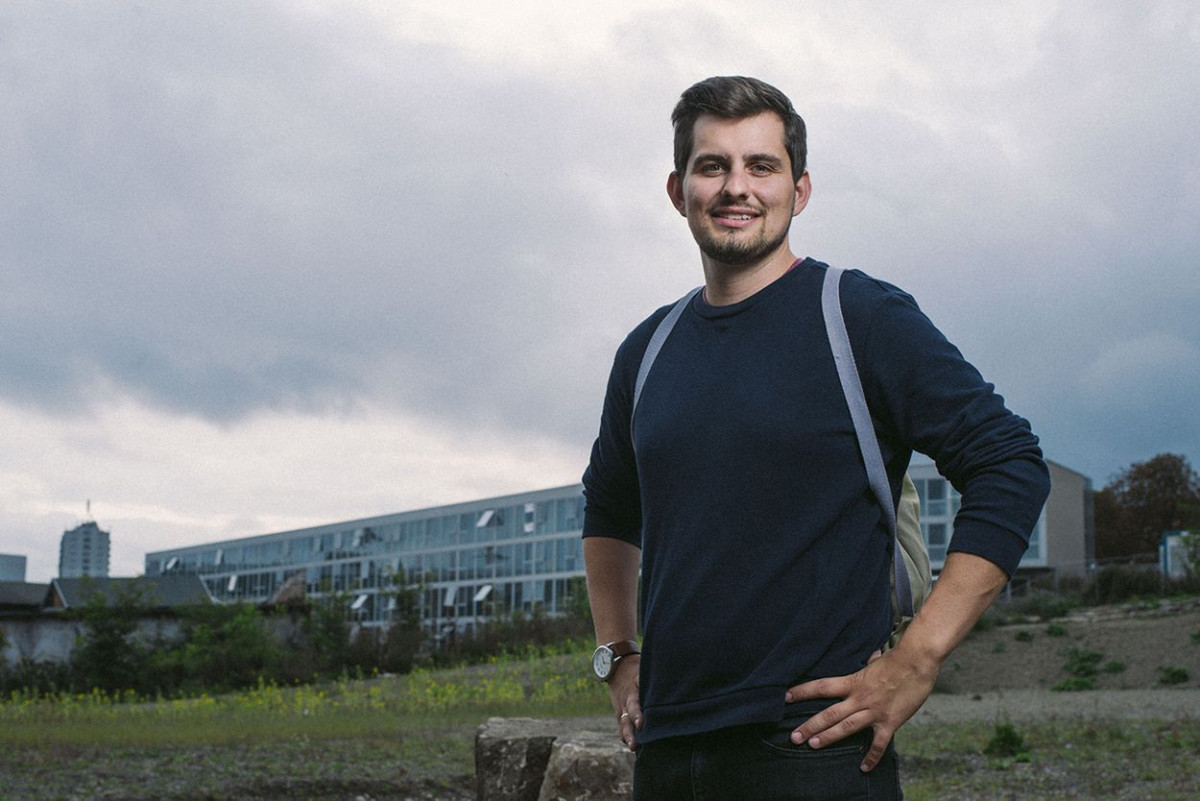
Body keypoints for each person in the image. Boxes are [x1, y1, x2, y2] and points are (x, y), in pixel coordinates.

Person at [581, 75, 1051, 799]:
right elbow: (609, 508)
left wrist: (919, 657)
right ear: (679, 191)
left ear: (798, 191)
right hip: (668, 746)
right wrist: (617, 654)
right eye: (714, 166)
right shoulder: (646, 350)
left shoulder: (860, 316)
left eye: (761, 166)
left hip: (815, 746)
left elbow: (1010, 463)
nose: (737, 187)